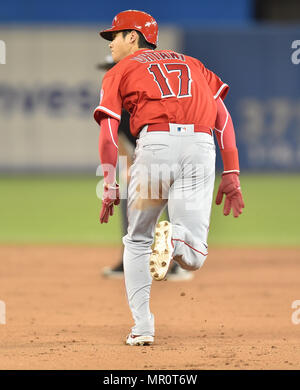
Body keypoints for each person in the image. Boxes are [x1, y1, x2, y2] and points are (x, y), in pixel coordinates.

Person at [93, 10, 245, 346]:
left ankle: (143, 328)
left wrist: (108, 183)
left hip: (156, 147)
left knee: (136, 240)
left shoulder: (120, 71)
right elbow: (223, 118)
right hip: (200, 149)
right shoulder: (194, 64)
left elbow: (108, 133)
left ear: (133, 36)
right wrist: (231, 171)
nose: (112, 44)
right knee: (193, 257)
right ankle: (176, 238)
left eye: (115, 36)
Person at [97, 56, 193, 282]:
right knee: (127, 189)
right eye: (108, 69)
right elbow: (116, 139)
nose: (108, 74)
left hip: (177, 150)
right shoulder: (113, 103)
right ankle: (128, 259)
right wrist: (128, 167)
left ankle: (181, 262)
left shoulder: (149, 95)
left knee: (173, 200)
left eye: (113, 69)